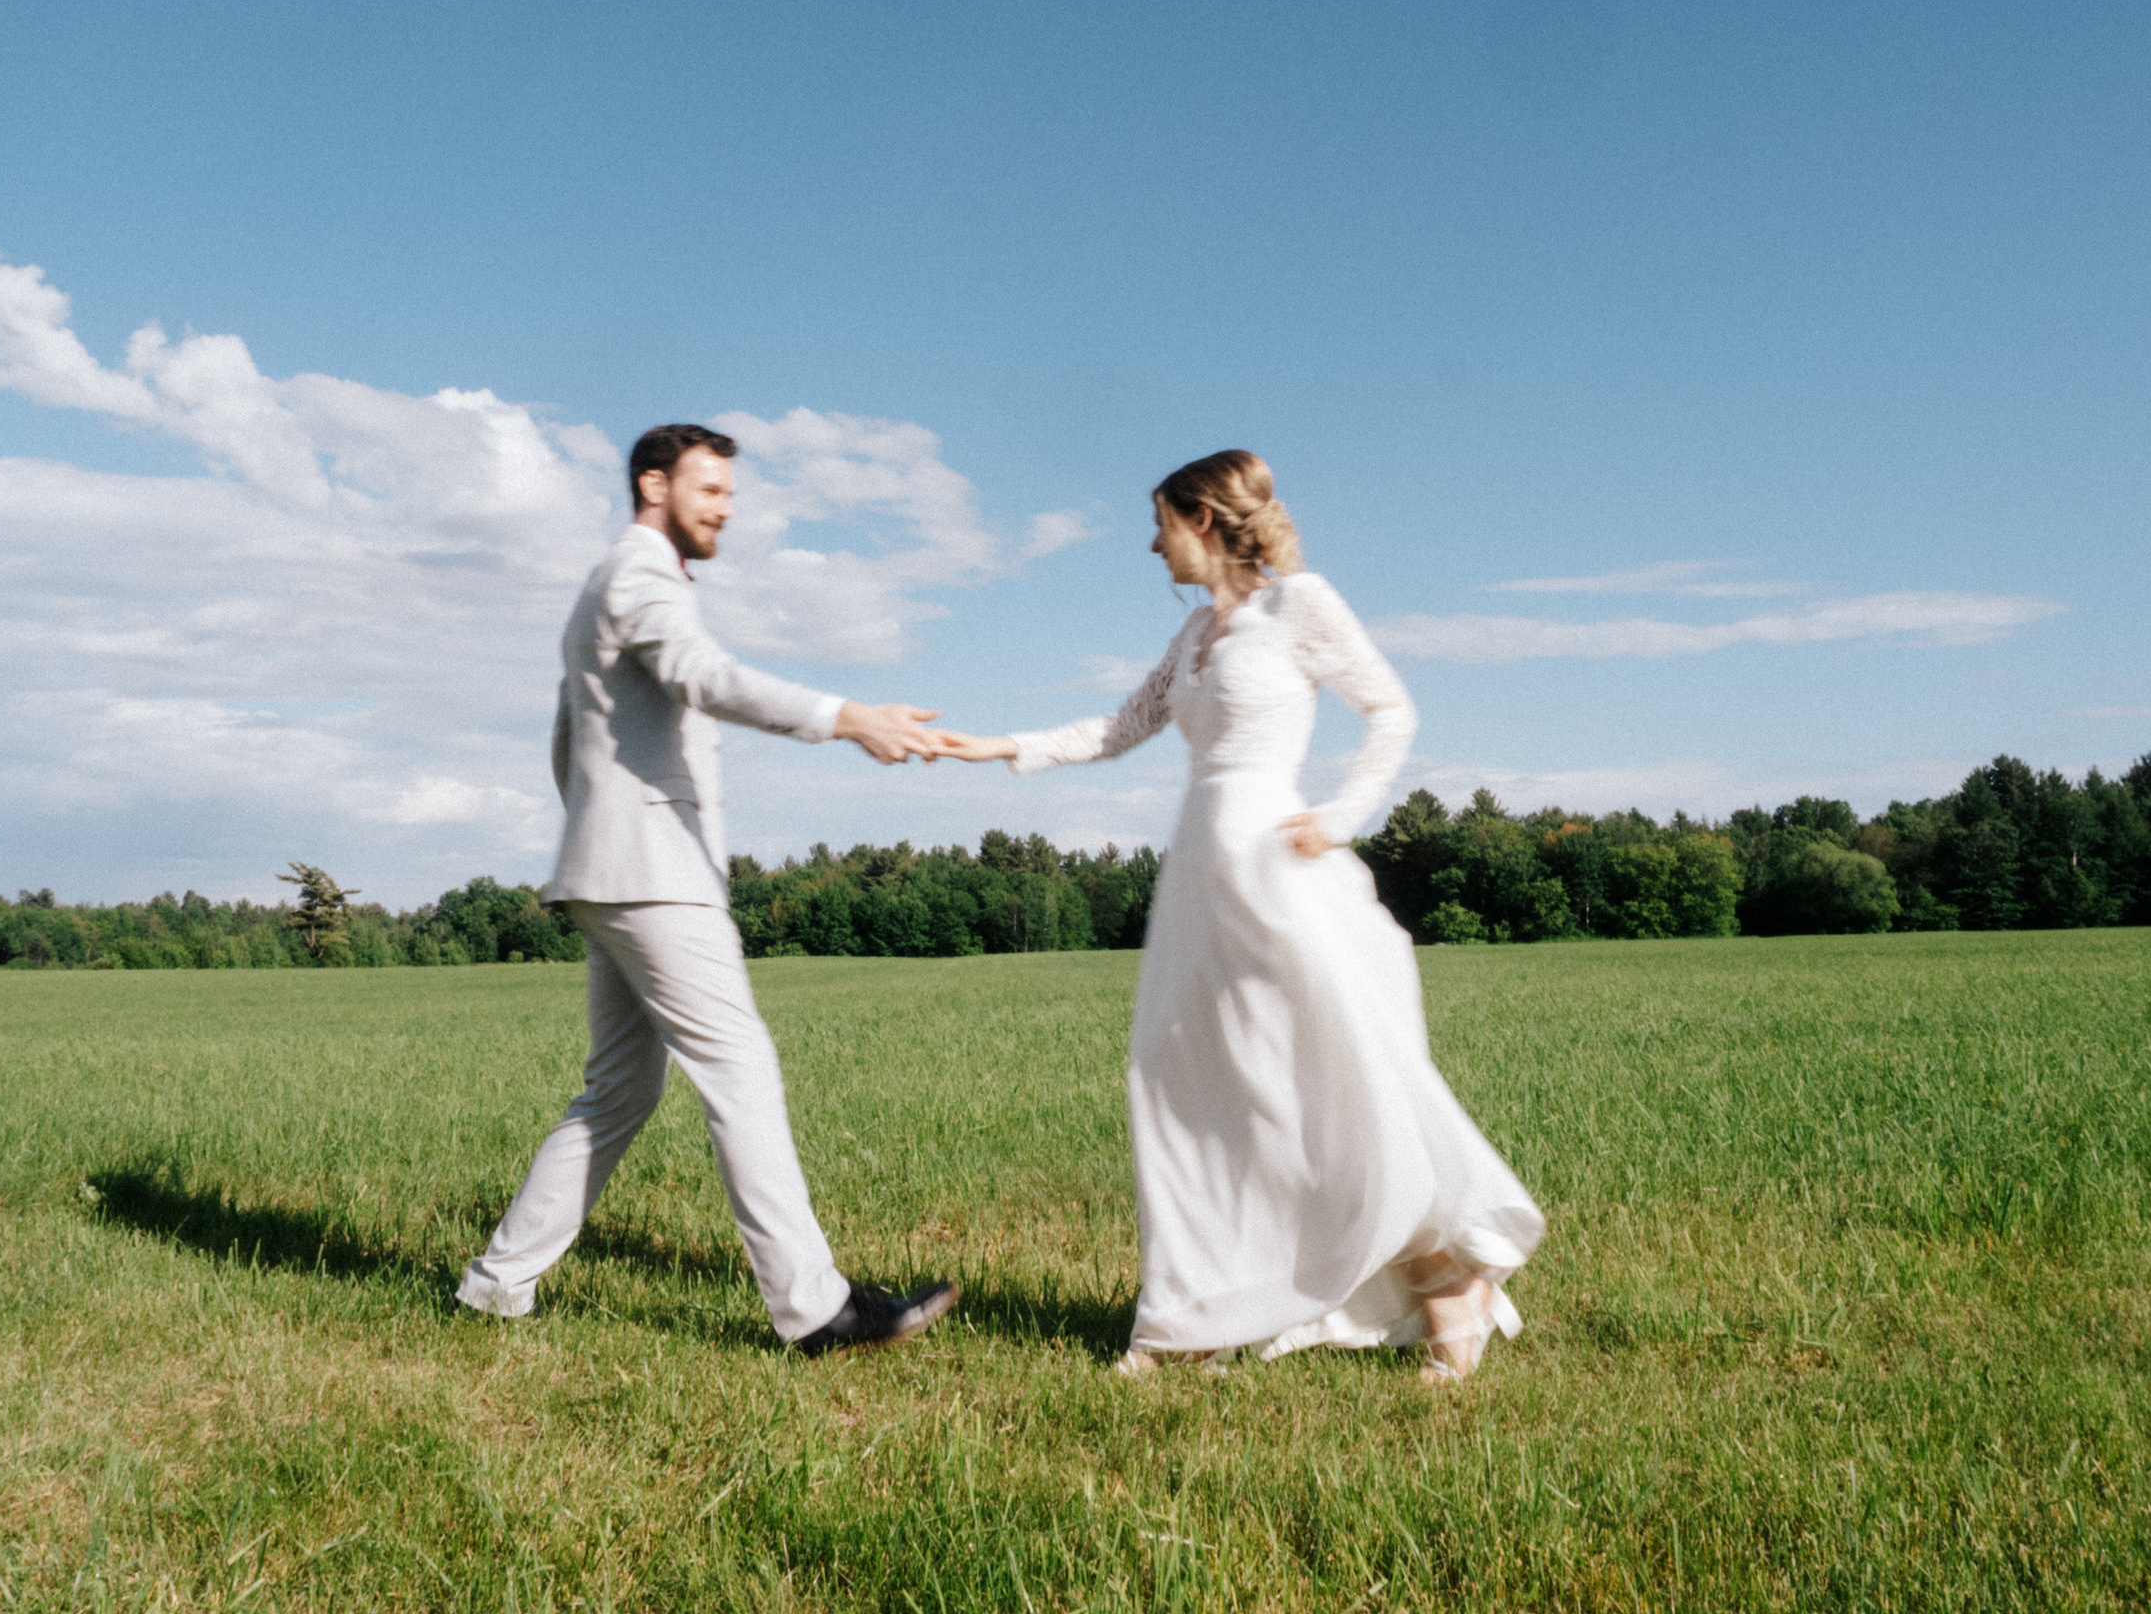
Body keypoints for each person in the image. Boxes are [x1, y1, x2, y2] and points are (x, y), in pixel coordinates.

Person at [931, 450, 1542, 1380]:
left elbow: (1390, 711)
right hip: (1199, 887)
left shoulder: (1301, 604)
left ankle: (1443, 1276)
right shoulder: (1192, 640)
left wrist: (1336, 819)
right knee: (1190, 1097)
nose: (1152, 544)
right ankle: (1199, 1312)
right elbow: (1115, 729)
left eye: (1162, 524)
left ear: (1203, 521)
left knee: (1316, 1091)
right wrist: (993, 746)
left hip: (1279, 873)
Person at [457, 423, 959, 1355]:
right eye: (709, 489)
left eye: (730, 493)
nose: (725, 507)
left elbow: (567, 739)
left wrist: (590, 838)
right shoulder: (640, 575)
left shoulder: (615, 582)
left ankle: (495, 1288)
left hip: (612, 872)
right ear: (655, 484)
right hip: (654, 876)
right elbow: (704, 675)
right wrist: (844, 717)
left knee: (616, 1094)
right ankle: (816, 1309)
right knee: (740, 1070)